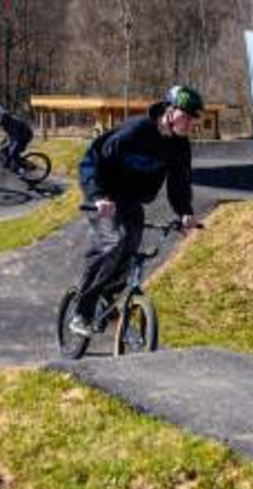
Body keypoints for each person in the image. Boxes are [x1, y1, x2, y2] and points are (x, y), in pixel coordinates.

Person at [69, 85, 203, 336]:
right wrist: (97, 196)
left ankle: (106, 296)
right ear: (170, 111)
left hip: (131, 202)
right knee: (113, 242)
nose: (191, 123)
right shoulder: (135, 130)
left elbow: (179, 182)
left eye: (194, 119)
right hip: (105, 198)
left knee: (131, 249)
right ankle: (82, 312)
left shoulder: (180, 147)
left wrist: (184, 212)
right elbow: (93, 159)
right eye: (187, 116)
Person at [0, 105, 34, 171]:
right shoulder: (4, 120)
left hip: (23, 136)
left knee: (13, 152)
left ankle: (23, 168)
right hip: (12, 135)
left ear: (0, 116)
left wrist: (11, 145)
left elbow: (17, 137)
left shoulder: (12, 122)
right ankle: (10, 162)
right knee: (1, 148)